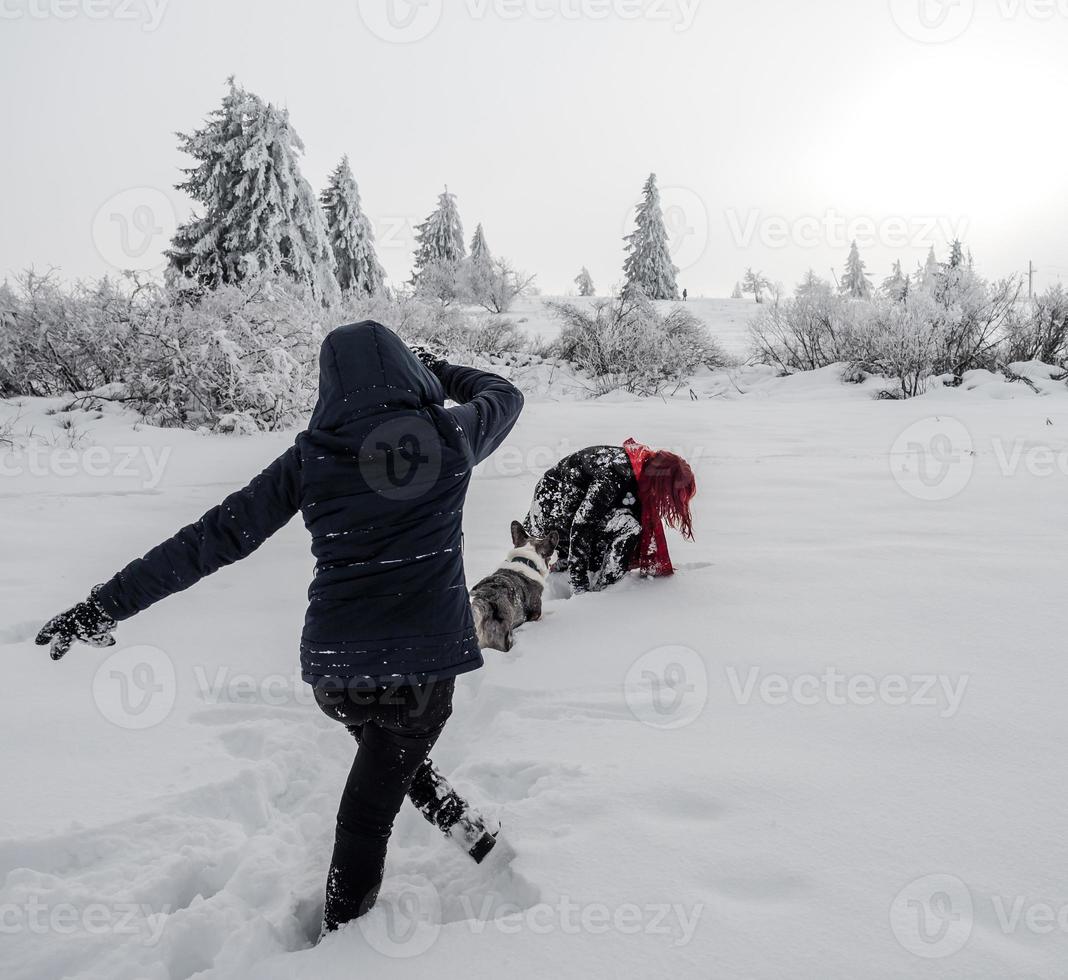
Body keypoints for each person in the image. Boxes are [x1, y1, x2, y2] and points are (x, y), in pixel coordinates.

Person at [35, 322, 524, 934]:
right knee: (370, 806)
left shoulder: (312, 460)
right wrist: (441, 369)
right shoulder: (451, 437)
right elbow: (506, 394)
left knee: (386, 751)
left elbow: (205, 542)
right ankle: (344, 938)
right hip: (423, 671)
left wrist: (103, 606)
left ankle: (455, 818)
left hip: (337, 676)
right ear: (408, 372)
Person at [524, 440, 696, 595]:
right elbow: (582, 524)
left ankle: (584, 565)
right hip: (552, 513)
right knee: (629, 526)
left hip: (564, 507)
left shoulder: (640, 465)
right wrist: (579, 584)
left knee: (624, 519)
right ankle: (607, 588)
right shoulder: (615, 474)